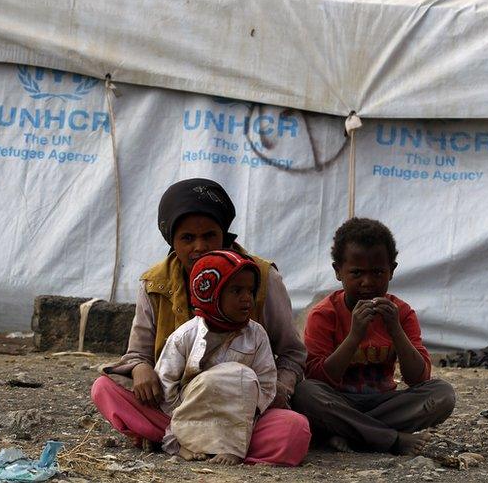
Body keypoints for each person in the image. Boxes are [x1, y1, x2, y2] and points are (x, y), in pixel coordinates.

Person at [91, 178, 310, 466]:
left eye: (209, 235)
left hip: (242, 412)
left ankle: (186, 441)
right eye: (187, 238)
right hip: (179, 407)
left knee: (294, 430)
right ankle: (198, 439)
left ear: (225, 235)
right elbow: (138, 353)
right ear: (172, 240)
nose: (200, 247)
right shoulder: (154, 283)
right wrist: (141, 368)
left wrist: (278, 390)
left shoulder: (261, 277)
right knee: (103, 389)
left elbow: (292, 354)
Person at [291, 217, 456, 454]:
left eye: (378, 272)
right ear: (338, 272)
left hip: (382, 402)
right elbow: (318, 378)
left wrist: (395, 330)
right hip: (339, 401)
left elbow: (419, 378)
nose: (367, 282)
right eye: (357, 273)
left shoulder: (402, 312)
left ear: (392, 271)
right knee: (305, 394)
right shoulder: (324, 314)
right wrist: (354, 335)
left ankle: (352, 434)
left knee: (443, 394)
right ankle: (390, 439)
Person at [156, 249, 277, 465]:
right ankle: (186, 442)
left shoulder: (257, 334)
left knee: (294, 429)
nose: (247, 298)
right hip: (192, 409)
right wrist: (185, 414)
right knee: (108, 390)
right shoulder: (184, 335)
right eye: (237, 290)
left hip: (240, 414)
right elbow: (166, 384)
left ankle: (228, 443)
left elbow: (267, 383)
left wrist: (244, 409)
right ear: (211, 293)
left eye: (250, 290)